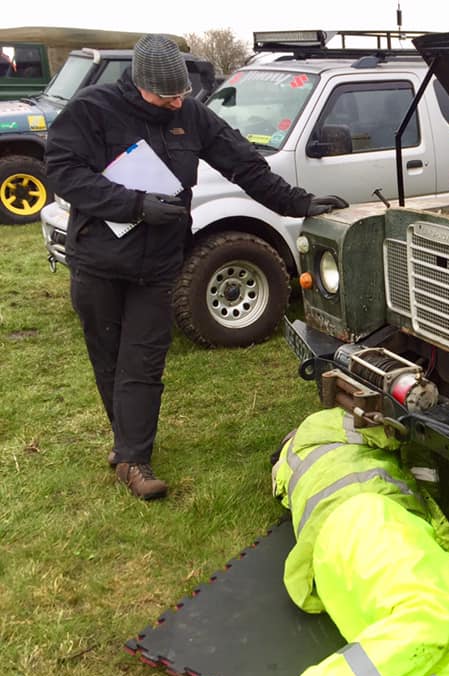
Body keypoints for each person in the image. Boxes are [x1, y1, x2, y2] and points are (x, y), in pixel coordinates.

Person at [44, 34, 348, 500]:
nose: (174, 103)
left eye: (180, 93)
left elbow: (245, 166)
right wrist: (135, 205)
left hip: (159, 263)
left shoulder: (190, 115)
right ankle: (125, 442)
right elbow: (64, 172)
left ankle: (134, 460)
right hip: (99, 260)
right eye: (164, 96)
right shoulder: (93, 109)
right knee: (108, 357)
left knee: (144, 359)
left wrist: (299, 202)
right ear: (138, 83)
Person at [254, 407, 449, 676]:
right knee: (428, 614)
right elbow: (402, 428)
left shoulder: (294, 471)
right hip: (367, 522)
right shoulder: (321, 424)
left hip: (331, 565)